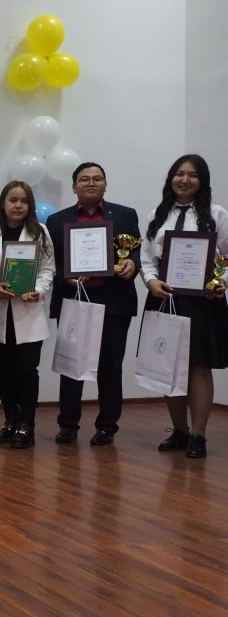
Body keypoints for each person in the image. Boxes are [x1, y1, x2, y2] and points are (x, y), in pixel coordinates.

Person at [45, 162, 141, 445]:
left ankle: (107, 426)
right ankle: (68, 424)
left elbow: (136, 249)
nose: (91, 183)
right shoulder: (56, 220)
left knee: (110, 365)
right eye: (84, 179)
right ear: (74, 186)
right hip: (74, 299)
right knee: (70, 365)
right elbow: (51, 261)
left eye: (97, 178)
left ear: (105, 184)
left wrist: (132, 264)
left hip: (113, 300)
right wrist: (65, 275)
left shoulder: (125, 215)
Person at [140, 154, 228, 459]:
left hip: (203, 299)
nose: (185, 179)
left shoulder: (216, 213)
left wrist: (221, 282)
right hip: (165, 296)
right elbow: (147, 258)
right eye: (179, 173)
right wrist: (151, 281)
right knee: (168, 364)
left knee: (199, 366)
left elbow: (227, 257)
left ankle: (199, 435)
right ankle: (179, 430)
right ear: (171, 178)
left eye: (192, 175)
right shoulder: (157, 213)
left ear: (202, 181)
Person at [0, 181, 56, 449]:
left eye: (24, 201)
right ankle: (10, 420)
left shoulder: (40, 232)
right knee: (3, 372)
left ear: (30, 206)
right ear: (3, 203)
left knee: (26, 371)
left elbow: (48, 269)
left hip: (27, 311)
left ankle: (27, 424)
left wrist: (38, 290)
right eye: (13, 200)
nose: (18, 205)